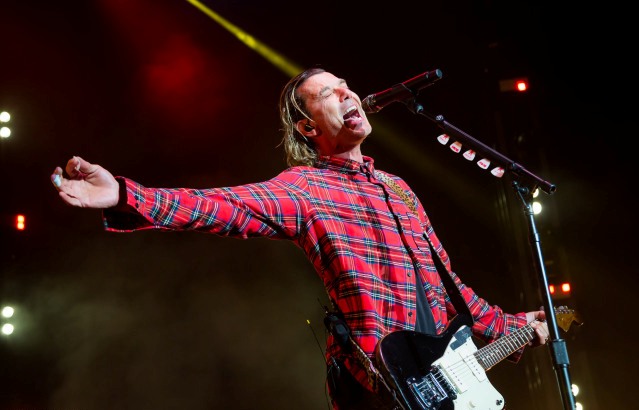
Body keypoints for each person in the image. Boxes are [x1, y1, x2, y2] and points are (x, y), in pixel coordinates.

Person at [50, 66, 549, 409]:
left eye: (347, 86)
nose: (348, 94)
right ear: (308, 127)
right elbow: (221, 207)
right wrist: (125, 195)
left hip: (444, 379)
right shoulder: (305, 189)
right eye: (330, 93)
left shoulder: (398, 188)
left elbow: (448, 286)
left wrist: (513, 324)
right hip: (382, 386)